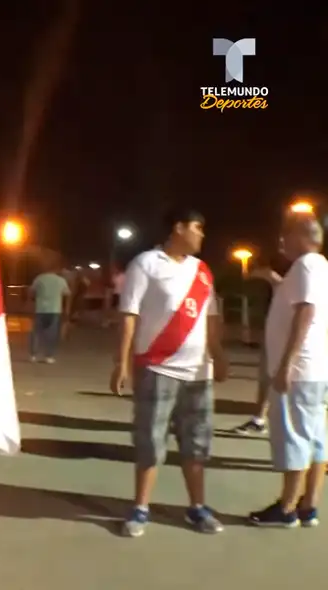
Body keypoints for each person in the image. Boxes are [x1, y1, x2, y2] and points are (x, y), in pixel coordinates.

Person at [109, 207, 229, 538]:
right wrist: (121, 362)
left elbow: (211, 318)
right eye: (197, 227)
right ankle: (140, 507)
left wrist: (218, 355)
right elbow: (129, 315)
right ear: (178, 228)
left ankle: (197, 507)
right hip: (157, 367)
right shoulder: (146, 264)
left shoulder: (203, 271)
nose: (202, 234)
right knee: (151, 440)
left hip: (198, 373)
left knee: (196, 443)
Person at [248, 215, 328, 527]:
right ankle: (309, 506)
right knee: (316, 438)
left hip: (299, 370)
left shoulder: (307, 265)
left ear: (301, 235)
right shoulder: (318, 266)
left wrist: (286, 363)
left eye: (285, 234)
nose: (281, 241)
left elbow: (306, 312)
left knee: (295, 437)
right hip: (315, 369)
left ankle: (286, 508)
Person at [232, 252, 292, 435]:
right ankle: (259, 419)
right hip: (276, 337)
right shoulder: (287, 281)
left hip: (290, 340)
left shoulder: (306, 275)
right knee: (266, 378)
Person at [28, 260, 71, 363]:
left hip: (40, 309)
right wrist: (67, 309)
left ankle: (33, 355)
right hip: (55, 309)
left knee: (36, 332)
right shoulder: (61, 280)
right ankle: (49, 356)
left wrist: (31, 302)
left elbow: (31, 291)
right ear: (56, 269)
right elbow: (67, 294)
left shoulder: (39, 278)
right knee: (52, 333)